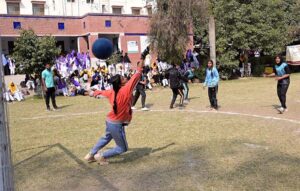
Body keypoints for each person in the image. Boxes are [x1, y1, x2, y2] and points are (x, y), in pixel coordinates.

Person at [84, 61, 145, 165]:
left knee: (106, 137)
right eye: (123, 78)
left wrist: (87, 93)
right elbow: (136, 76)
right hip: (116, 124)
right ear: (120, 83)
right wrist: (140, 66)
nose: (125, 78)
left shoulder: (111, 91)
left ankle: (90, 155)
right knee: (122, 148)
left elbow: (97, 93)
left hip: (110, 121)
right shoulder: (126, 90)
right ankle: (101, 156)